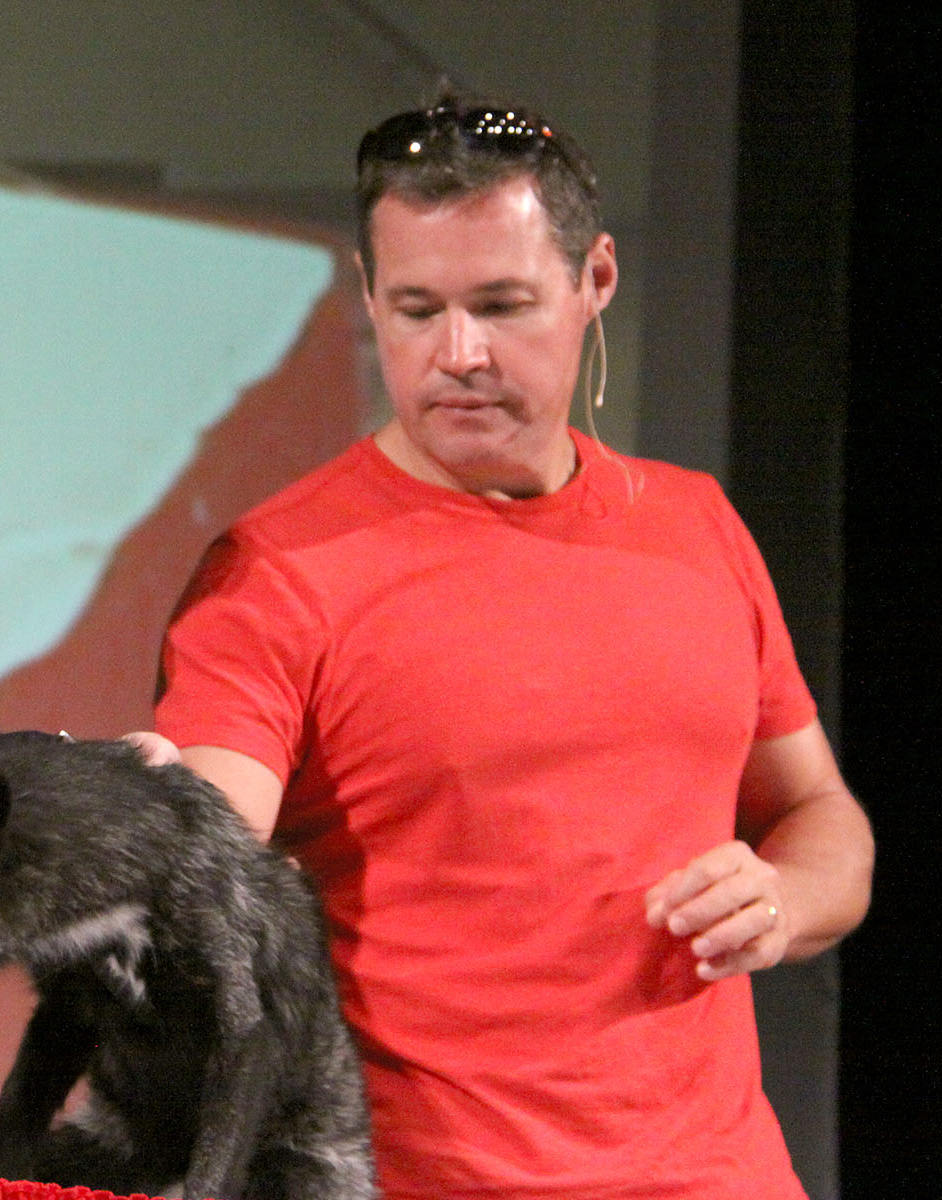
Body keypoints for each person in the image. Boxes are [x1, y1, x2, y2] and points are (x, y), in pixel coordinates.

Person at [153, 98, 874, 1199]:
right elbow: (204, 843)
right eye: (415, 309)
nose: (458, 354)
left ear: (597, 281)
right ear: (367, 298)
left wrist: (782, 899)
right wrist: (143, 830)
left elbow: (822, 816)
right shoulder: (276, 570)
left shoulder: (695, 525)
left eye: (502, 304)